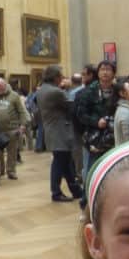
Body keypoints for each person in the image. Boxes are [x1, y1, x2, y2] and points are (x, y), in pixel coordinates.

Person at [36, 65, 83, 203]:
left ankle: (75, 190)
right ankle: (56, 192)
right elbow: (72, 107)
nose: (62, 79)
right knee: (59, 162)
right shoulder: (55, 92)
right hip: (60, 130)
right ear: (56, 77)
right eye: (61, 76)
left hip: (51, 129)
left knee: (65, 162)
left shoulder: (42, 89)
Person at [0, 78, 28, 181]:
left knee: (12, 151)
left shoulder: (14, 96)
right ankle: (1, 170)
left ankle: (11, 171)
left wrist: (23, 125)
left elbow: (21, 111)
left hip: (12, 128)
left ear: (5, 85)